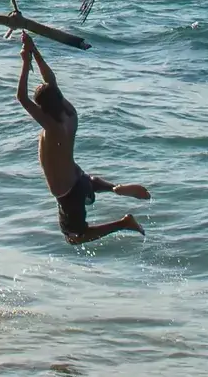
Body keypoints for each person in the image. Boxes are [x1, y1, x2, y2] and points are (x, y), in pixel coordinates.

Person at [17, 34, 148, 244]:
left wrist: (25, 63)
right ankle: (113, 188)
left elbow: (22, 98)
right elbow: (51, 81)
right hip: (78, 178)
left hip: (68, 191)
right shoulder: (70, 114)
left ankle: (124, 222)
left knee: (75, 237)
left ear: (43, 109)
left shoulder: (52, 128)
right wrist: (33, 51)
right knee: (84, 184)